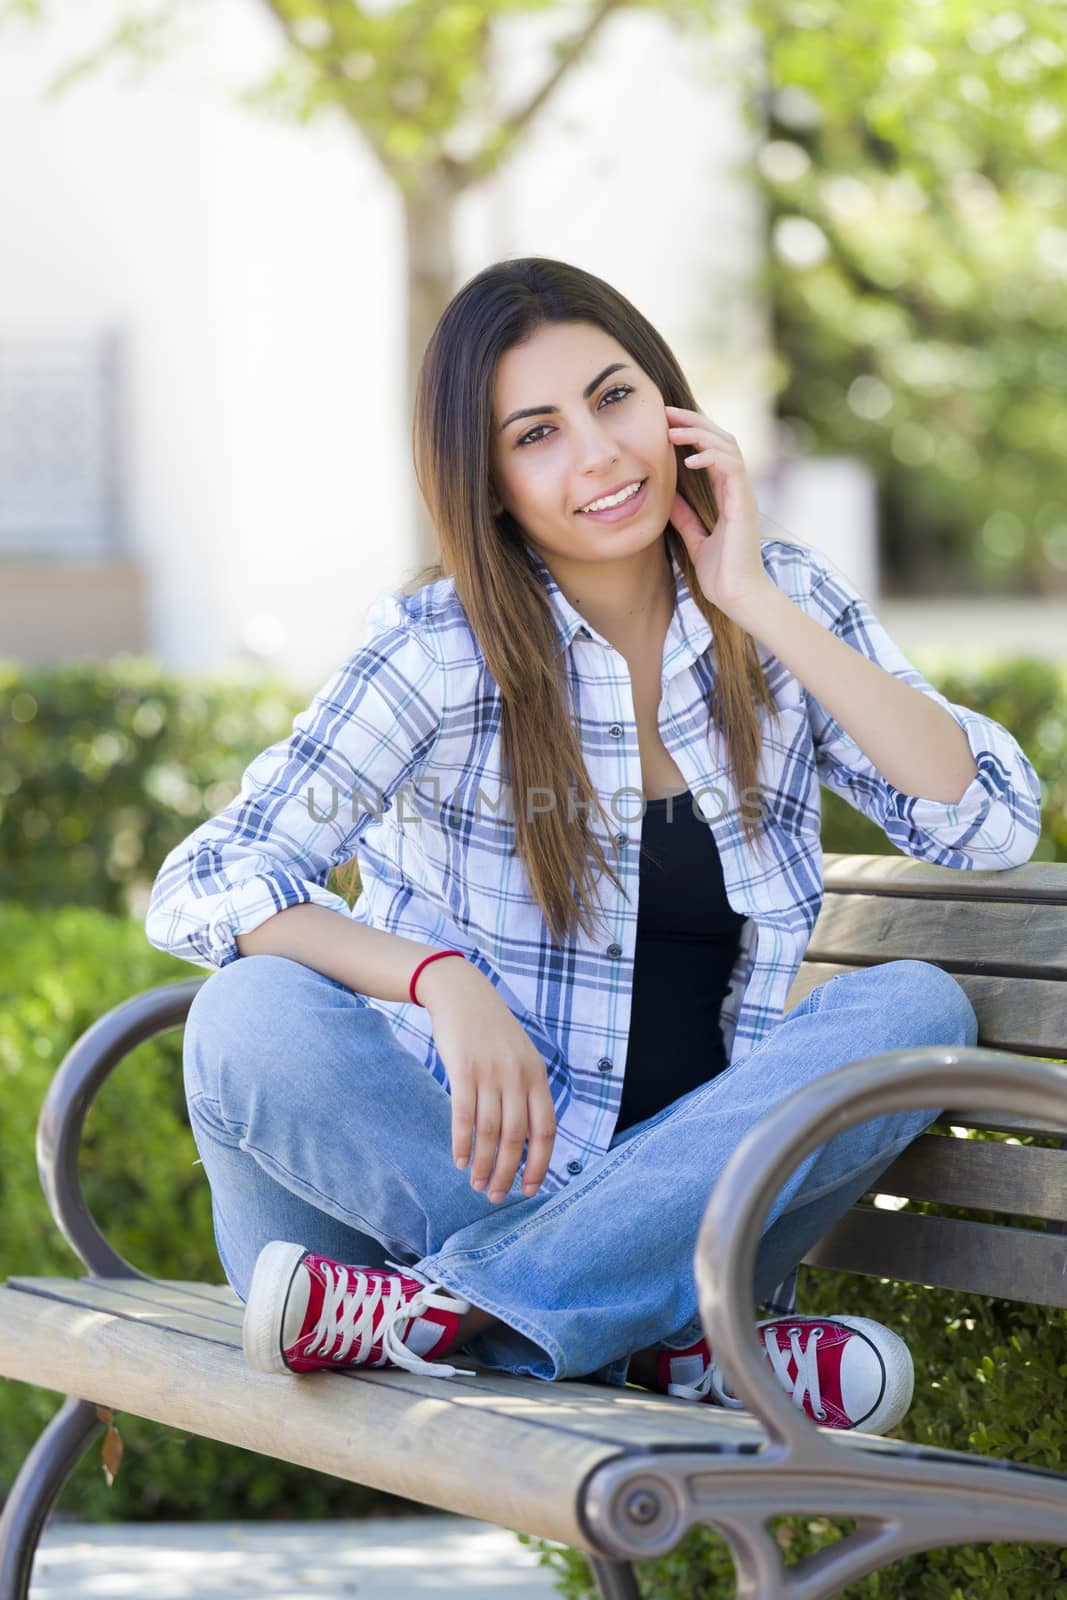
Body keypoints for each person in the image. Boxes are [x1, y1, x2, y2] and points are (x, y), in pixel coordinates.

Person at [147, 256, 1043, 1436]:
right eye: (537, 432)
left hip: (633, 1228)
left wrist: (756, 597)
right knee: (243, 1013)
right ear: (488, 480)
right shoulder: (438, 651)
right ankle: (659, 1344)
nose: (599, 454)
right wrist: (436, 977)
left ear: (671, 405)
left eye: (614, 399)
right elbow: (205, 879)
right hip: (427, 1193)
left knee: (912, 1011)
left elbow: (984, 818)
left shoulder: (774, 607)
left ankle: (475, 1321)